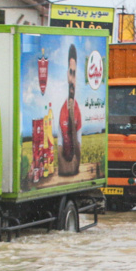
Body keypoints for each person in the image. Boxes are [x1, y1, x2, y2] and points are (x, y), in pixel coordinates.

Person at [58, 44, 82, 176]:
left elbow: (78, 148)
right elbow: (59, 147)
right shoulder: (61, 110)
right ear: (67, 75)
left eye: (75, 73)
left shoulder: (78, 109)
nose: (72, 80)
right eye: (71, 73)